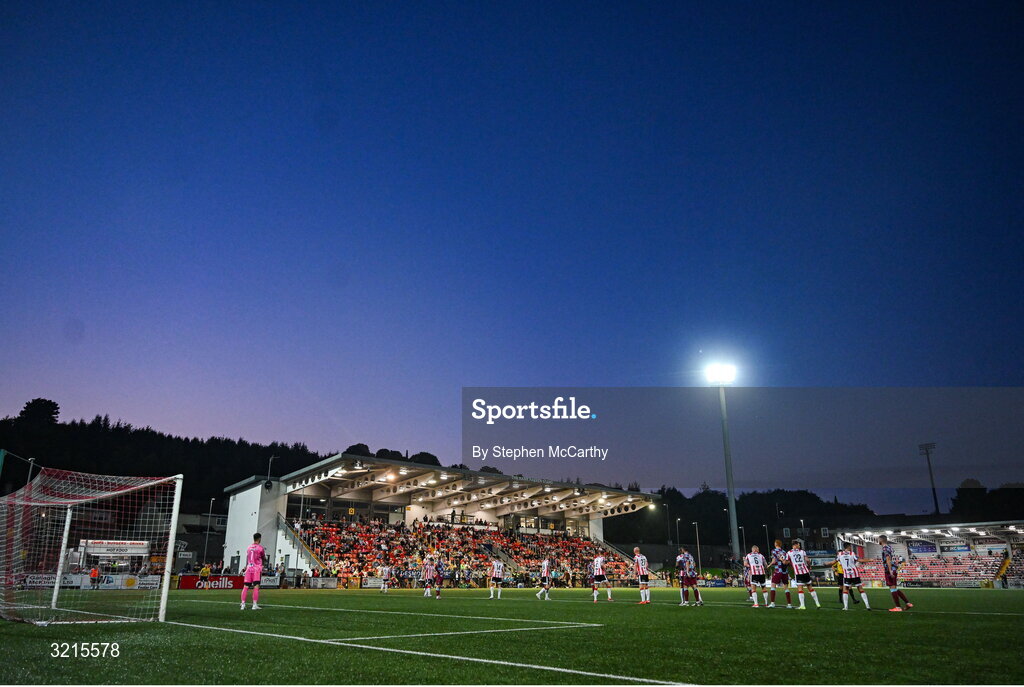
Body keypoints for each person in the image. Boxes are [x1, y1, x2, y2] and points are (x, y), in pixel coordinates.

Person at [879, 535, 913, 612]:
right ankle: (907, 603)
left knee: (892, 588)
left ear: (881, 540)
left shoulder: (885, 548)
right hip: (894, 568)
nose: (878, 541)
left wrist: (890, 570)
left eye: (878, 539)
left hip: (889, 569)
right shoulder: (890, 547)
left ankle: (898, 607)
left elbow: (888, 558)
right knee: (895, 588)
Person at [836, 543, 871, 611]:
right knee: (860, 589)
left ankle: (845, 607)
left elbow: (835, 561)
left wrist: (827, 563)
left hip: (846, 574)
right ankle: (867, 606)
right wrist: (869, 560)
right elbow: (859, 560)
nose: (851, 547)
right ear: (848, 546)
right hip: (855, 574)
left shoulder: (840, 554)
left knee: (845, 590)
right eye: (850, 546)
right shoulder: (852, 553)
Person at [786, 541, 820, 609]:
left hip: (798, 572)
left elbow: (786, 562)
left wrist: (782, 560)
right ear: (795, 545)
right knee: (810, 588)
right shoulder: (802, 551)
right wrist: (809, 566)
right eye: (798, 545)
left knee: (800, 589)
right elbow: (807, 560)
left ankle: (802, 605)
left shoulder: (789, 553)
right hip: (805, 571)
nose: (799, 546)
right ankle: (817, 603)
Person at [240, 533, 267, 610]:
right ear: (259, 539)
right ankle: (254, 605)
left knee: (245, 587)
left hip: (249, 568)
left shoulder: (248, 547)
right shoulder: (260, 548)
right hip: (256, 569)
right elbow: (263, 557)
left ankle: (243, 604)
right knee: (256, 586)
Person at [766, 539, 793, 608]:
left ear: (776, 544)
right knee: (786, 587)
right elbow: (787, 561)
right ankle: (789, 604)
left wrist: (769, 565)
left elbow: (774, 560)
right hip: (785, 571)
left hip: (778, 570)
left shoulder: (774, 551)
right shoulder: (784, 552)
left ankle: (772, 603)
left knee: (773, 585)